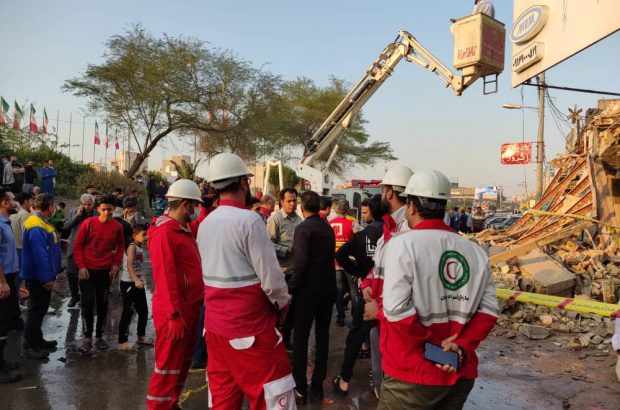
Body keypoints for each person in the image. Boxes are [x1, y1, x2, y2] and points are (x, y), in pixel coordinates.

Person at [377, 170, 499, 409]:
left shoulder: (402, 245)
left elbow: (396, 310)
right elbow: (489, 312)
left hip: (412, 375)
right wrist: (459, 346)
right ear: (443, 206)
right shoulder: (474, 250)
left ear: (411, 206)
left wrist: (437, 348)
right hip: (459, 373)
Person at [197, 153, 294, 409]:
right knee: (273, 396)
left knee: (223, 399)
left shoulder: (206, 223)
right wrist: (284, 304)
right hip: (251, 329)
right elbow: (272, 280)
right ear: (243, 183)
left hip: (216, 330)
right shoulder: (250, 221)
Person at [146, 179, 204, 409]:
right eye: (195, 205)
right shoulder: (165, 233)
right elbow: (165, 278)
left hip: (188, 309)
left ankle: (171, 403)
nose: (197, 210)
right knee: (167, 368)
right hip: (175, 313)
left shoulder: (182, 230)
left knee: (180, 365)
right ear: (185, 205)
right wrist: (173, 315)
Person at [360, 164, 413, 397]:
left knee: (395, 389)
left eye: (383, 190)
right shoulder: (389, 227)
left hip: (394, 324)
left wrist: (378, 310)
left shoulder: (406, 231)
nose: (381, 195)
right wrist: (366, 285)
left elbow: (405, 283)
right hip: (381, 322)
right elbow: (378, 268)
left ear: (390, 192)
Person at [333, 194, 385, 396]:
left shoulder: (363, 235)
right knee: (387, 340)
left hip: (368, 292)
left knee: (355, 337)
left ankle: (345, 380)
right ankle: (383, 383)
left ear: (370, 212)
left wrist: (358, 272)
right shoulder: (395, 235)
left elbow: (340, 255)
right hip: (391, 296)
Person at [288, 190, 336, 404]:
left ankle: (300, 386)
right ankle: (317, 383)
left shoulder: (302, 229)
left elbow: (301, 264)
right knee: (322, 337)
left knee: (300, 339)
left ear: (301, 208)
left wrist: (291, 289)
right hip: (327, 289)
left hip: (307, 291)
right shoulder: (327, 228)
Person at [73, 194, 124, 352]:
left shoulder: (117, 227)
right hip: (87, 271)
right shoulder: (88, 223)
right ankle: (87, 337)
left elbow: (120, 246)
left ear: (114, 209)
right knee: (88, 302)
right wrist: (81, 267)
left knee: (103, 303)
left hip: (105, 271)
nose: (107, 212)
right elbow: (78, 246)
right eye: (103, 209)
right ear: (98, 210)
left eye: (110, 209)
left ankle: (99, 336)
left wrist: (116, 263)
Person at [20, 193, 62, 360]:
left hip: (41, 275)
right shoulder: (36, 225)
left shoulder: (40, 222)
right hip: (38, 277)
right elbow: (39, 255)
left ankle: (37, 339)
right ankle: (29, 345)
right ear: (50, 206)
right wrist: (46, 279)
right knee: (36, 311)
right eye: (53, 207)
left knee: (40, 309)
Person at [266, 187, 302, 347]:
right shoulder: (275, 219)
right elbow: (267, 245)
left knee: (293, 309)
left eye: (294, 200)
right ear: (282, 202)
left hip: (296, 271)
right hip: (281, 272)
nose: (292, 204)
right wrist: (285, 249)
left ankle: (286, 339)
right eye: (289, 201)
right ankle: (276, 339)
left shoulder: (300, 221)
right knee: (279, 308)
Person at [0, 188, 22, 382]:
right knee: (1, 324)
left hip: (9, 277)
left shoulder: (6, 223)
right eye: (13, 200)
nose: (16, 203)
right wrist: (2, 282)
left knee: (6, 323)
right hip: (2, 280)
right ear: (4, 203)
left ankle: (2, 362)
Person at [117, 224, 151, 350]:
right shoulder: (132, 247)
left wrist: (140, 280)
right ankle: (122, 342)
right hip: (129, 283)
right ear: (134, 235)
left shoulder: (140, 246)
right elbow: (130, 266)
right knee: (128, 311)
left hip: (138, 283)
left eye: (147, 234)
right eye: (144, 234)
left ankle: (141, 336)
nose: (146, 237)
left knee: (143, 311)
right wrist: (136, 280)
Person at [63, 194, 98, 308]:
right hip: (74, 247)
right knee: (71, 273)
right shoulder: (73, 211)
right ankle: (74, 296)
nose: (87, 207)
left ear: (93, 204)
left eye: (89, 204)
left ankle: (86, 296)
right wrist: (77, 216)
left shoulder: (97, 213)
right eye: (84, 204)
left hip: (90, 248)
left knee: (87, 274)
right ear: (80, 204)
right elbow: (66, 226)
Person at [330, 200, 360, 327]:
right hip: (349, 261)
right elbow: (360, 238)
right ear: (347, 210)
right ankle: (355, 317)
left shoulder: (329, 224)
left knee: (338, 290)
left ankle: (340, 317)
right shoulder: (352, 223)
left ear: (335, 210)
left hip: (335, 261)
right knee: (354, 290)